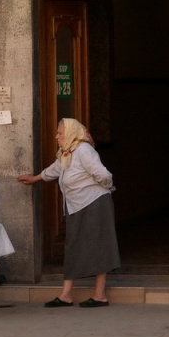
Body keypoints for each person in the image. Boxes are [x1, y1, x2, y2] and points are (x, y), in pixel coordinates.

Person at [17, 118, 120, 308]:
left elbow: (104, 175)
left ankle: (100, 295)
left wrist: (105, 187)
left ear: (72, 133)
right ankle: (66, 295)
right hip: (78, 205)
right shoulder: (68, 152)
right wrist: (35, 178)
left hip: (95, 203)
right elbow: (55, 169)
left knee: (98, 245)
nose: (56, 136)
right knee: (73, 246)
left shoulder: (84, 151)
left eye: (60, 133)